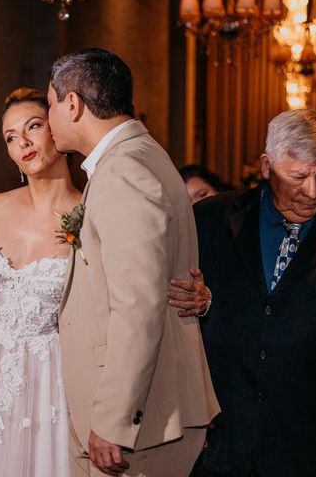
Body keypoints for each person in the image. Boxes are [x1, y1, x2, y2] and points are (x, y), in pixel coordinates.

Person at [0, 88, 210, 477]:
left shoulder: (91, 209)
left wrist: (199, 298)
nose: (24, 143)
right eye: (11, 137)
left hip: (54, 370)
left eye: (33, 126)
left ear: (56, 129)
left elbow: (134, 289)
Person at [48, 48, 220, 477]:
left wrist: (112, 419)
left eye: (50, 103)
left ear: (72, 104)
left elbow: (138, 305)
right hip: (151, 411)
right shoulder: (141, 155)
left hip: (140, 423)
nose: (50, 117)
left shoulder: (123, 171)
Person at [191, 108, 316, 477]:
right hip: (220, 446)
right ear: (266, 166)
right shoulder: (210, 220)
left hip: (306, 447)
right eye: (297, 177)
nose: (312, 192)